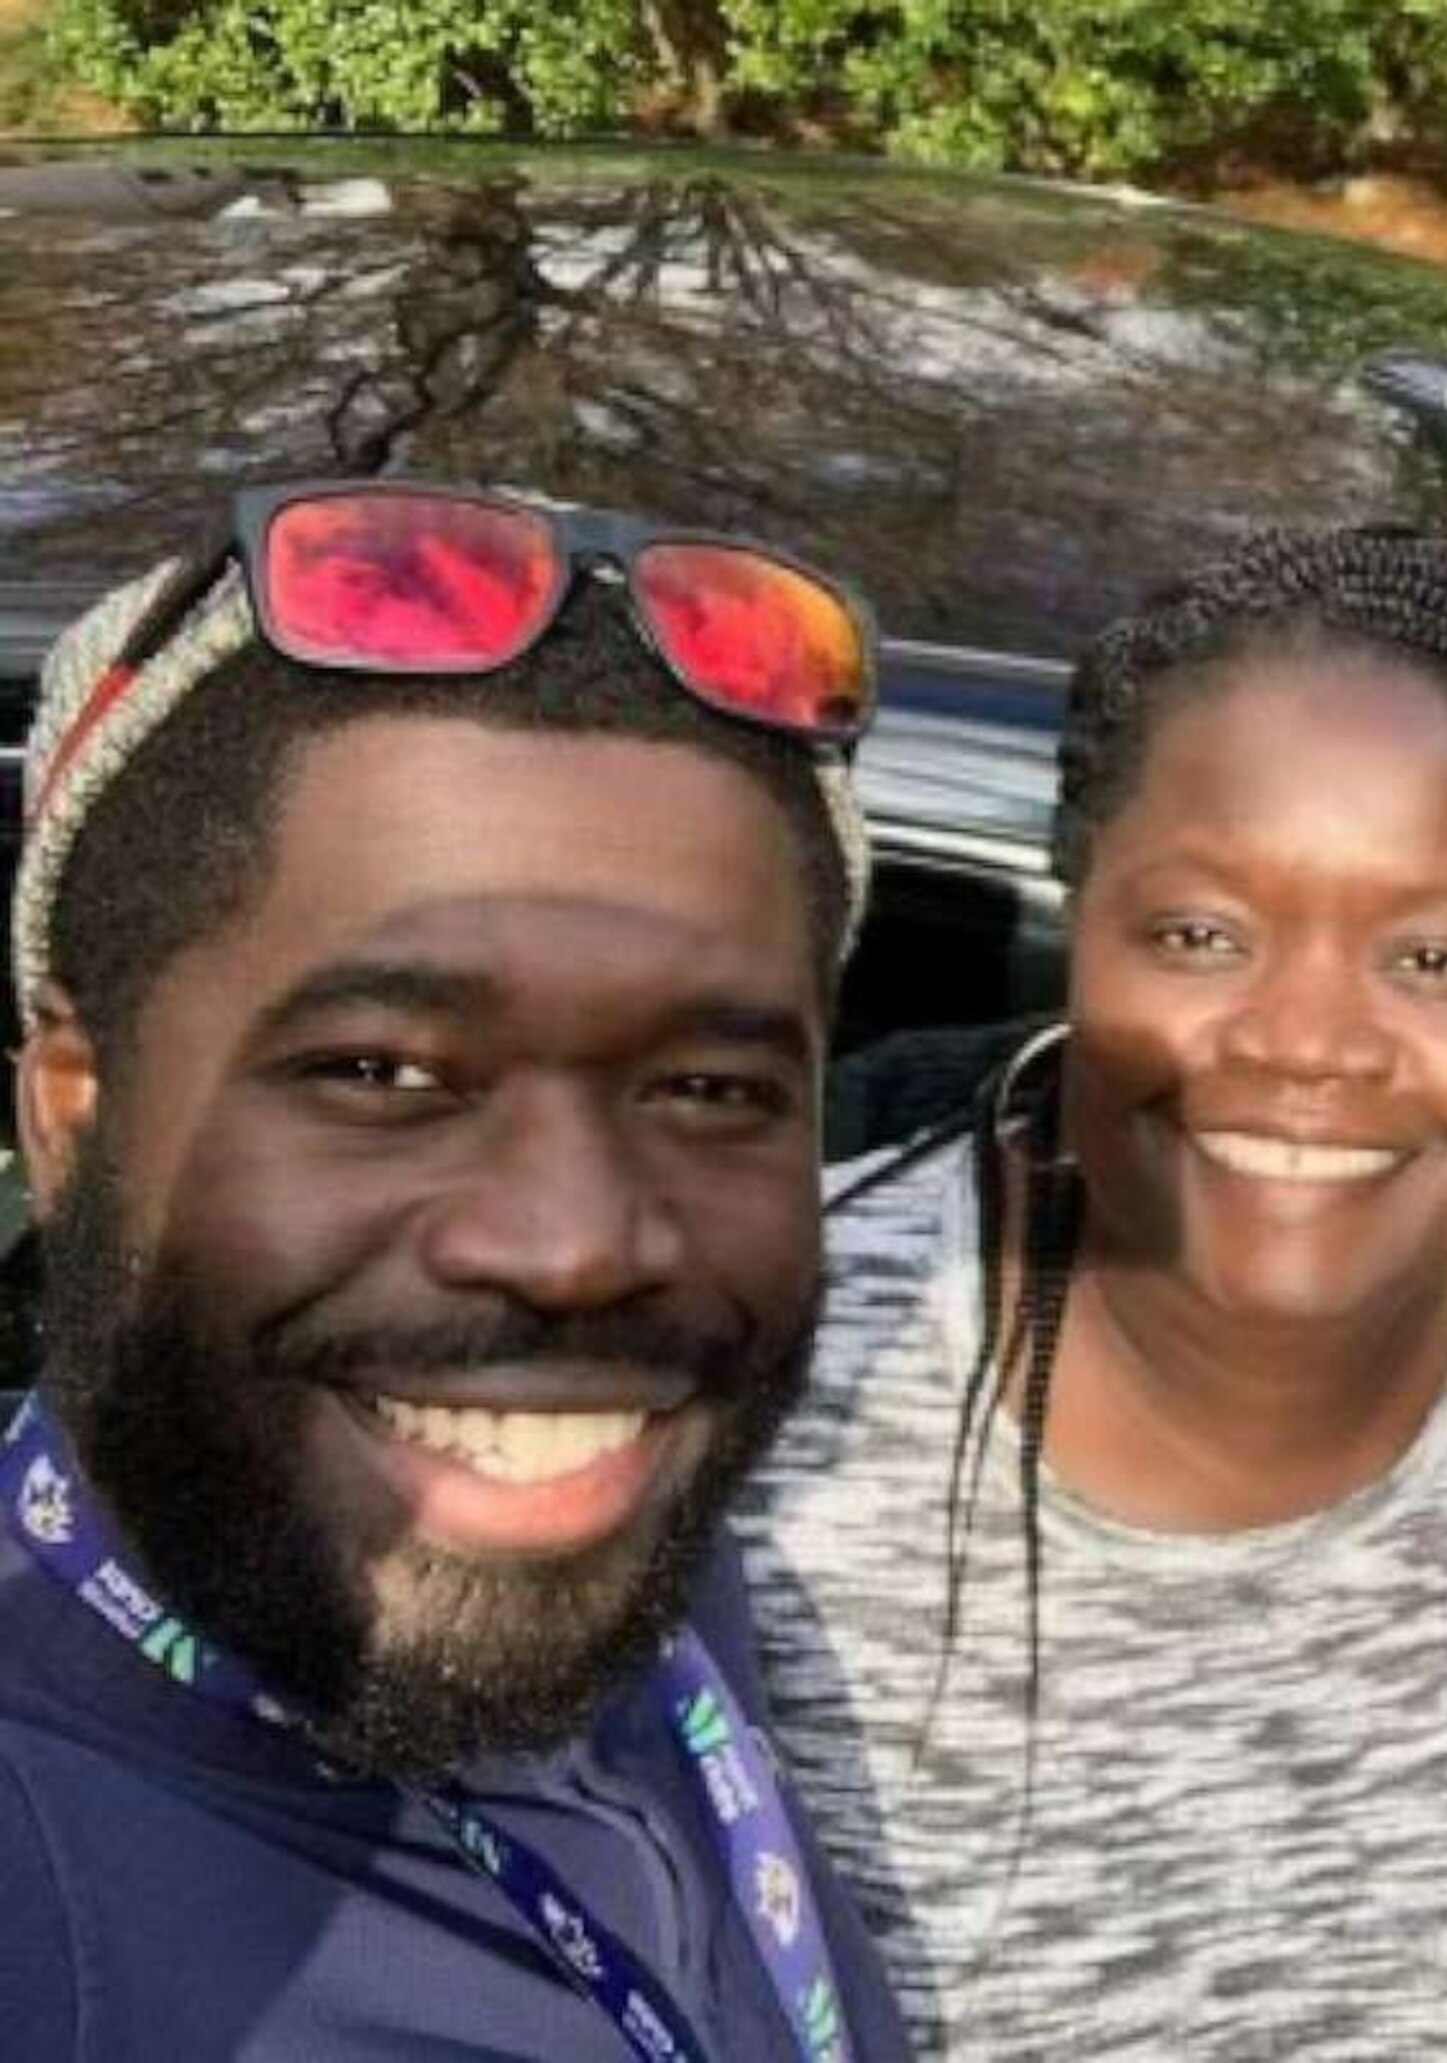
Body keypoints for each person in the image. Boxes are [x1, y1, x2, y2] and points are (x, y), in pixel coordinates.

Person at [738, 525, 1447, 2056]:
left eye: (1439, 960)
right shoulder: (763, 1383)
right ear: (1082, 940)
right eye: (1201, 934)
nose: (1304, 1042)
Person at [0, 480, 911, 2060]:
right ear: (78, 1113)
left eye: (709, 1089)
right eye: (379, 1073)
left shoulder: (608, 1539)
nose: (575, 1254)